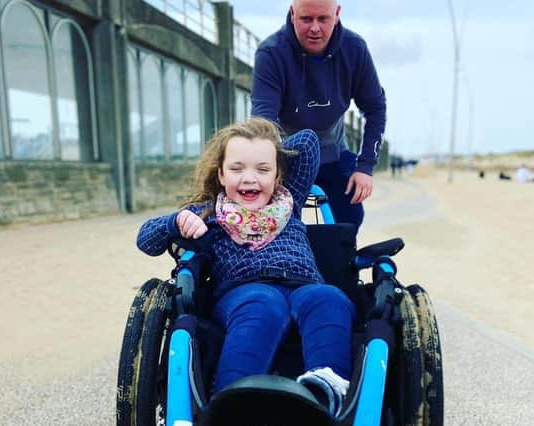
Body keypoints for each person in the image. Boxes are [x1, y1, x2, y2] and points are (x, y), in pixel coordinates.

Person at [136, 118, 355, 417]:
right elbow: (146, 239)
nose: (250, 178)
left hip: (305, 286)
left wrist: (262, 139)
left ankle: (322, 393)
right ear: (221, 174)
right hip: (244, 292)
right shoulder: (209, 213)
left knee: (329, 298)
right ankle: (232, 401)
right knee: (264, 303)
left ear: (279, 176)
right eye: (237, 168)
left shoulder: (290, 200)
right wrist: (175, 222)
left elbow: (306, 142)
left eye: (263, 169)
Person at [251, 0, 387, 229]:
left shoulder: (355, 49)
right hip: (285, 157)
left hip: (333, 153)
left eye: (323, 19)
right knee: (273, 226)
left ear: (337, 14)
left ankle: (341, 260)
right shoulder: (270, 52)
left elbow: (375, 108)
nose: (315, 28)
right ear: (293, 13)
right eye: (306, 19)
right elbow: (264, 121)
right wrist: (266, 170)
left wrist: (365, 167)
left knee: (350, 219)